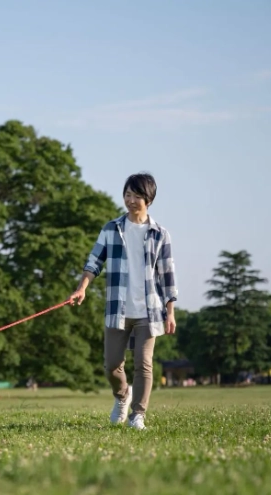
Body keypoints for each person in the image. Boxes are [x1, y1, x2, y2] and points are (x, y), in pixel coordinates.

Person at [68, 172, 178, 430]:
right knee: (112, 365)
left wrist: (170, 311)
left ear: (148, 199)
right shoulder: (111, 229)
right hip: (117, 308)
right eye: (127, 195)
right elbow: (94, 261)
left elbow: (168, 275)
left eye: (137, 196)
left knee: (144, 364)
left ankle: (138, 414)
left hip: (149, 311)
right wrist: (82, 288)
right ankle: (122, 397)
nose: (130, 201)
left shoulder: (160, 234)